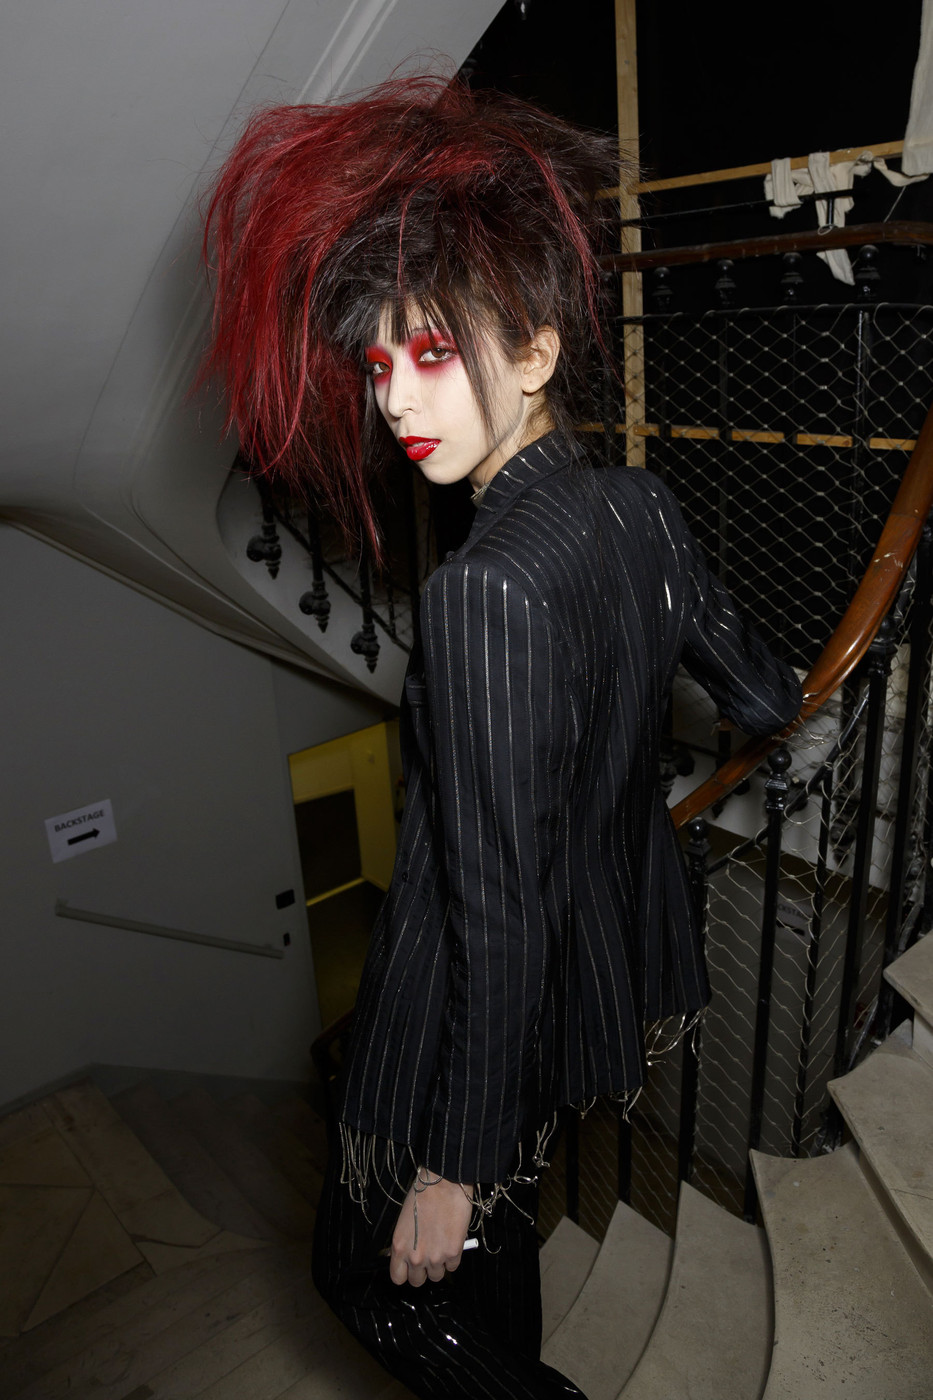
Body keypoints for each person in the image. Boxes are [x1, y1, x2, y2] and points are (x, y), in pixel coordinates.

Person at [199, 74, 802, 1400]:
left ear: (532, 355)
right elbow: (764, 693)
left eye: (431, 355)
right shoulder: (643, 507)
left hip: (465, 1005)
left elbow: (495, 909)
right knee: (494, 1247)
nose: (395, 402)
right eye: (379, 366)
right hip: (588, 966)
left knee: (366, 1276)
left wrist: (448, 1166)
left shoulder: (484, 589)